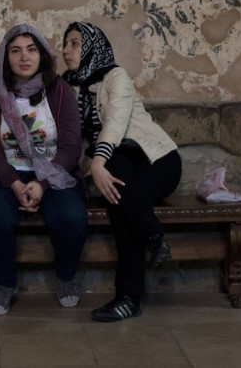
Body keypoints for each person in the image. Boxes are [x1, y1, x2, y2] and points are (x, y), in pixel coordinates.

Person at [61, 22, 182, 322]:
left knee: (116, 186)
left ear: (91, 46)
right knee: (118, 193)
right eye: (65, 44)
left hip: (158, 161)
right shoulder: (66, 86)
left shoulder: (116, 77)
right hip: (118, 166)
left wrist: (97, 165)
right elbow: (67, 136)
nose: (65, 50)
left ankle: (129, 297)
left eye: (75, 43)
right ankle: (152, 239)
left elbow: (114, 123)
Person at [0, 23, 87, 316]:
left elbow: (72, 145)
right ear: (5, 57)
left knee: (71, 215)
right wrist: (15, 183)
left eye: (32, 49)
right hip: (6, 175)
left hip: (54, 171)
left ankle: (66, 276)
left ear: (42, 55)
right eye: (16, 51)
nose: (24, 57)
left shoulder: (58, 89)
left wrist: (42, 184)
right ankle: (4, 284)